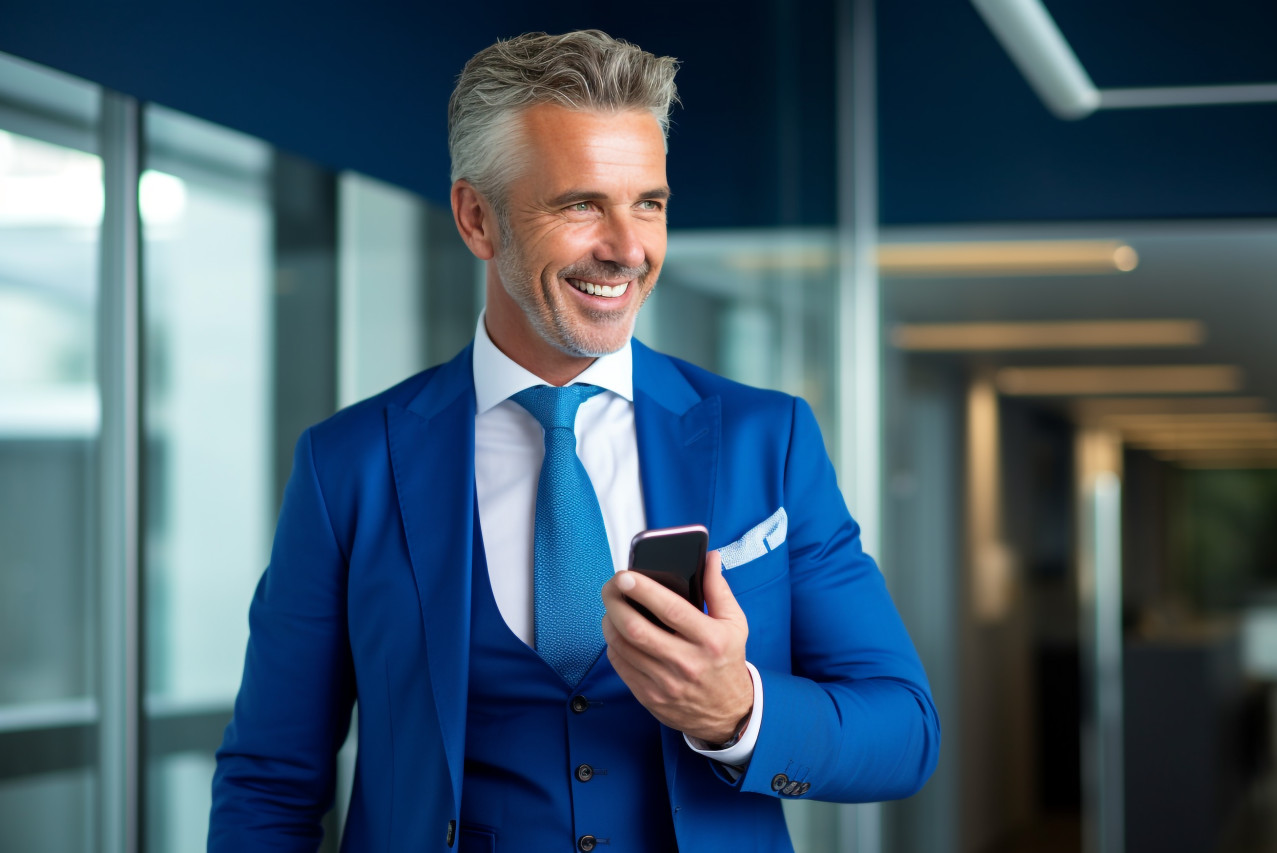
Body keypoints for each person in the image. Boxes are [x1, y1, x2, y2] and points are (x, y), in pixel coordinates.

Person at [210, 29, 939, 853]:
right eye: (582, 203)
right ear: (476, 217)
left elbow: (904, 730)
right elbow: (269, 782)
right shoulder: (350, 464)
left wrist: (737, 708)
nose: (628, 249)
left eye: (650, 203)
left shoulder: (765, 440)